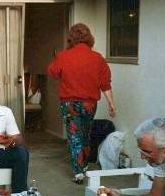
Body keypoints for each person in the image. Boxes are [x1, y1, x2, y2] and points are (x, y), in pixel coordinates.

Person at [48, 23, 116, 185]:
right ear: (89, 38)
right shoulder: (97, 57)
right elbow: (105, 83)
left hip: (70, 104)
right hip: (89, 104)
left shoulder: (64, 56)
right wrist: (111, 104)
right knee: (86, 133)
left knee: (74, 137)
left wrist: (58, 58)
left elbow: (53, 72)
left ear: (71, 39)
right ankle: (84, 165)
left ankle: (78, 173)